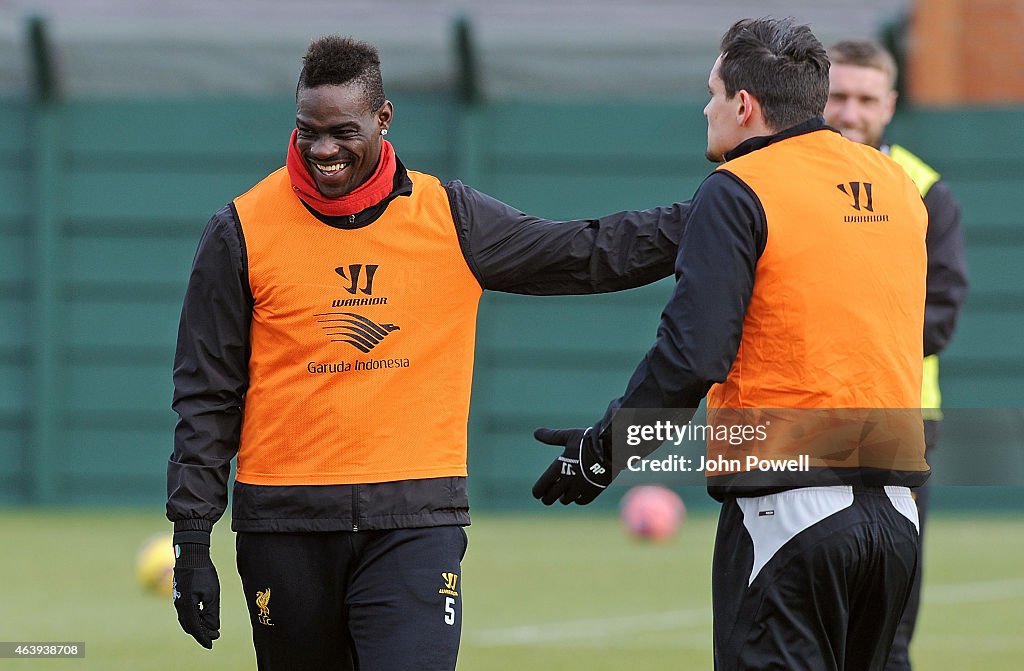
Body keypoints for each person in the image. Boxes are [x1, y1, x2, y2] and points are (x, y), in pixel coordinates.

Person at [166, 35, 688, 670]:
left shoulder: (451, 218)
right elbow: (207, 397)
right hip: (284, 527)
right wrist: (192, 539)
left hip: (414, 523)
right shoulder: (240, 230)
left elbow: (587, 252)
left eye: (342, 131)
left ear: (384, 120)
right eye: (308, 130)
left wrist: (715, 216)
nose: (323, 148)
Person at [532, 17, 932, 670]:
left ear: (744, 105)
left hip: (790, 511)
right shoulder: (899, 189)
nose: (706, 106)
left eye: (713, 92)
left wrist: (602, 453)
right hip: (896, 519)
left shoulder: (740, 188)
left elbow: (690, 357)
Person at [824, 39, 969, 671]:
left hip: (898, 423)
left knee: (886, 624)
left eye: (864, 98)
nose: (849, 112)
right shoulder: (775, 180)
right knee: (798, 611)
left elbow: (940, 315)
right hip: (797, 421)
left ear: (890, 105)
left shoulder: (925, 191)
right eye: (836, 96)